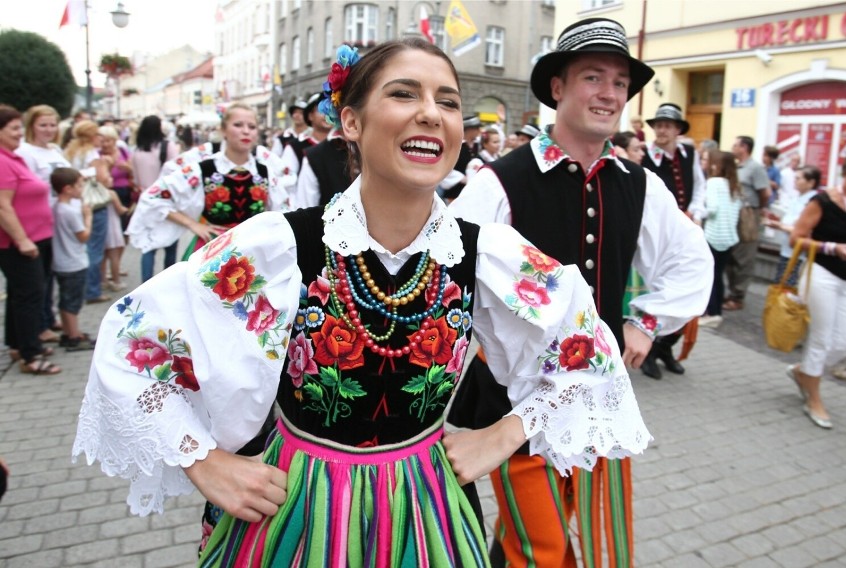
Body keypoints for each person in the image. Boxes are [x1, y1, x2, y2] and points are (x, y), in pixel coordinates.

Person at [72, 38, 652, 567]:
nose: (431, 111)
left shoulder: (488, 253)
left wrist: (500, 436)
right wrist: (204, 460)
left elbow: (588, 351)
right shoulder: (279, 244)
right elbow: (131, 339)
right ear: (350, 120)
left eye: (448, 102)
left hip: (429, 510)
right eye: (404, 93)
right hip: (293, 510)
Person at [446, 18, 711, 567]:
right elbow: (446, 274)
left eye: (619, 82)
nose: (609, 93)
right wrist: (474, 348)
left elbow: (690, 257)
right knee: (540, 547)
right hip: (521, 402)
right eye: (593, 77)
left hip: (602, 398)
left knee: (598, 538)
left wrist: (645, 321)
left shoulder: (638, 183)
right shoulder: (502, 180)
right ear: (559, 88)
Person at [126, 103, 293, 263]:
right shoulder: (203, 169)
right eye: (238, 125)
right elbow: (153, 196)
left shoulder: (265, 172)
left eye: (252, 127)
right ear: (223, 130)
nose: (246, 131)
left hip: (254, 253)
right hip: (212, 254)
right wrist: (193, 224)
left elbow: (284, 212)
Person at [640, 102, 706, 379]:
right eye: (658, 125)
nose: (662, 130)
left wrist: (697, 212)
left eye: (668, 126)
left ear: (678, 130)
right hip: (658, 236)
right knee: (662, 291)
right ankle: (650, 351)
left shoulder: (689, 153)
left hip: (686, 232)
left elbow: (700, 185)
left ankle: (667, 348)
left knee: (688, 290)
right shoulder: (646, 157)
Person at [786, 155, 846, 429]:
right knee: (821, 338)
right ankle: (813, 397)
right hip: (822, 274)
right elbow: (795, 238)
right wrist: (832, 248)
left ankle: (803, 372)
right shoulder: (823, 201)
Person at [0, 104, 61, 375]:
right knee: (29, 296)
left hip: (37, 237)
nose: (18, 133)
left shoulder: (11, 156)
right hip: (21, 242)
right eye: (13, 128)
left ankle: (18, 343)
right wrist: (22, 239)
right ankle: (30, 354)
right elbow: (3, 205)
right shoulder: (2, 161)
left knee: (20, 295)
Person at [17, 104, 70, 343]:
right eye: (43, 125)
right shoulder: (25, 152)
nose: (48, 130)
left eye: (52, 124)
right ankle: (39, 324)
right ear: (31, 127)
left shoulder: (54, 149)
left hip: (58, 219)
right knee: (39, 278)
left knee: (52, 272)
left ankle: (48, 317)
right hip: (37, 220)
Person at [64, 120, 113, 304]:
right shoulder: (93, 155)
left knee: (83, 246)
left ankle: (83, 286)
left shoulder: (71, 151)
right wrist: (107, 165)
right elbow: (104, 180)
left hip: (74, 202)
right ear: (92, 136)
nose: (100, 138)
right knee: (95, 249)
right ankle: (92, 290)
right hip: (94, 204)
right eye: (98, 134)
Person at [130, 115, 182, 282]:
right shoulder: (168, 147)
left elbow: (136, 180)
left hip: (146, 201)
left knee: (148, 245)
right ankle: (169, 282)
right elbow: (177, 173)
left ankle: (146, 283)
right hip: (167, 199)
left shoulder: (137, 150)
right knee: (170, 244)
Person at [723, 135, 771, 311]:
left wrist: (756, 210)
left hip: (748, 214)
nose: (732, 148)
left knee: (745, 256)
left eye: (735, 145)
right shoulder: (736, 167)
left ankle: (738, 296)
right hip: (733, 214)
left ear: (744, 147)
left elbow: (765, 193)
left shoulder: (755, 168)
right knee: (732, 254)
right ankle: (732, 292)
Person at [50, 167, 96, 351]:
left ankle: (69, 332)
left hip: (61, 261)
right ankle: (74, 336)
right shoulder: (69, 212)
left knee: (65, 299)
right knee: (72, 302)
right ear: (67, 188)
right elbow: (83, 236)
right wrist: (88, 217)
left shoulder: (56, 206)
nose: (82, 188)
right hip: (74, 261)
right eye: (79, 185)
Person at [698, 150, 741, 329]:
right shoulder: (735, 185)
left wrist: (699, 213)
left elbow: (713, 208)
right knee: (719, 275)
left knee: (710, 276)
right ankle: (716, 312)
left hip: (713, 236)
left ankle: (711, 312)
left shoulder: (714, 182)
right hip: (729, 237)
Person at [764, 165, 821, 287]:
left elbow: (804, 230)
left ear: (811, 182)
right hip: (787, 249)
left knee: (788, 290)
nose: (795, 181)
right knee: (781, 286)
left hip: (799, 254)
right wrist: (778, 222)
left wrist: (780, 226)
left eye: (798, 179)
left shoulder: (813, 202)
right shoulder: (798, 198)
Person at [98, 125, 131, 291]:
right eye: (102, 140)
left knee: (123, 235)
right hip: (108, 196)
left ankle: (116, 265)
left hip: (124, 193)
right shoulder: (97, 156)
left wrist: (128, 168)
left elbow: (132, 170)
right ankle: (108, 274)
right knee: (110, 238)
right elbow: (102, 179)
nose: (105, 144)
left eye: (109, 140)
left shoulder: (122, 151)